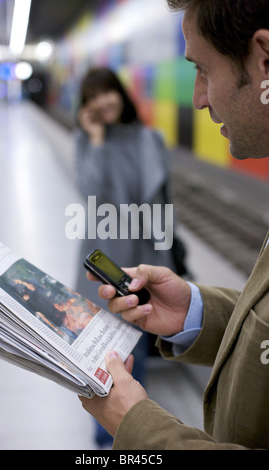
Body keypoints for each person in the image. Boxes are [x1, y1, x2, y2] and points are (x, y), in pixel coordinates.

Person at [79, 0, 269, 450]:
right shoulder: (91, 140)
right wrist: (195, 314)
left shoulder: (145, 139)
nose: (198, 98)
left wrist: (138, 426)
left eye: (203, 69)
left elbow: (143, 192)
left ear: (264, 59)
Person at [74, 66, 189, 447]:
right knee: (103, 358)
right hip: (105, 262)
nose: (101, 102)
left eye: (105, 92)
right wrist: (96, 140)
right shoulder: (88, 142)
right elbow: (91, 190)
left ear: (120, 93)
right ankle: (104, 439)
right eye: (91, 99)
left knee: (136, 352)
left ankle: (134, 433)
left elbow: (158, 200)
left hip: (143, 260)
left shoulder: (148, 138)